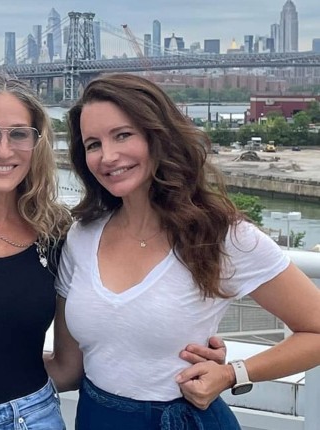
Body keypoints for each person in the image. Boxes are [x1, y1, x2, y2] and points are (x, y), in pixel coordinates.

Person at [0, 72, 226, 430]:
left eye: (19, 134)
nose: (4, 150)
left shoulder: (55, 233)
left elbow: (74, 359)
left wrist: (192, 352)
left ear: (36, 143)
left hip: (34, 418)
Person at [45, 73, 320, 429]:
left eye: (123, 135)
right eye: (93, 144)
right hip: (98, 417)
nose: (108, 156)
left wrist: (233, 373)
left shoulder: (222, 236)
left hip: (185, 419)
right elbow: (67, 369)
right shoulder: (81, 237)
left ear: (158, 136)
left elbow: (315, 329)